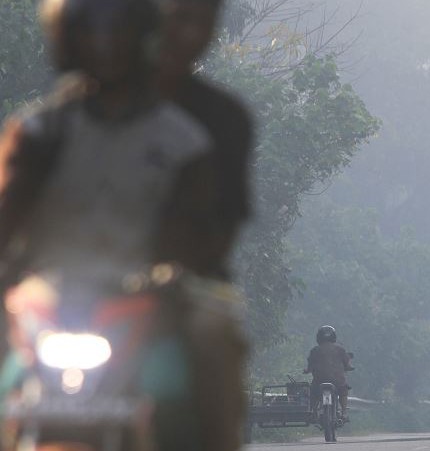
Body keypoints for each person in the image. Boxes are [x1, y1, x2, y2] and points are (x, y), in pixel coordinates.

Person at [0, 0, 216, 448]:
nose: (106, 42)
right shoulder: (37, 134)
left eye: (120, 29)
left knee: (192, 384)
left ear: (144, 38)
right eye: (92, 29)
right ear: (68, 39)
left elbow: (196, 234)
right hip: (45, 305)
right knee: (7, 393)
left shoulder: (181, 142)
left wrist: (176, 274)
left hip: (139, 305)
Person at [154, 0, 254, 449]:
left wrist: (174, 268)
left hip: (179, 288)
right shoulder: (57, 122)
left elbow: (220, 227)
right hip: (71, 293)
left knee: (213, 336)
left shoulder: (220, 119)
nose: (181, 33)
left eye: (196, 21)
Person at [305, 325, 354, 420]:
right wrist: (349, 367)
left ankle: (314, 411)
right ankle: (344, 413)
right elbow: (347, 365)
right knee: (343, 392)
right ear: (333, 336)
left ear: (319, 337)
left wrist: (307, 371)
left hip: (319, 381)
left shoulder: (314, 350)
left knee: (313, 393)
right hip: (338, 381)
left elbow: (309, 367)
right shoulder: (340, 349)